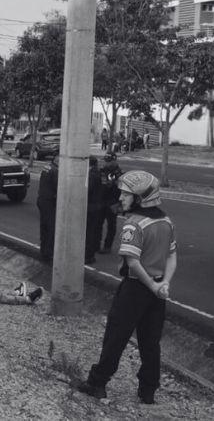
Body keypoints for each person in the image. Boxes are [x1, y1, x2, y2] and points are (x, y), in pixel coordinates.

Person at [76, 170, 178, 405]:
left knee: (116, 337)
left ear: (141, 198)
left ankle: (97, 383)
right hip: (157, 291)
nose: (121, 198)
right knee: (150, 343)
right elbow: (173, 256)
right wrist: (163, 284)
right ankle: (148, 392)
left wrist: (152, 285)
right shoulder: (166, 221)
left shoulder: (134, 225)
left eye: (126, 195)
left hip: (135, 288)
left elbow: (132, 262)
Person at [98, 152, 123, 254]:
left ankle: (107, 246)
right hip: (102, 201)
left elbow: (120, 188)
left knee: (111, 225)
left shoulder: (119, 174)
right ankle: (96, 245)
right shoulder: (102, 171)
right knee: (98, 224)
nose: (107, 163)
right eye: (106, 161)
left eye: (109, 161)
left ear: (114, 160)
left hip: (113, 202)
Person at [36, 156, 59, 262]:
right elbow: (58, 186)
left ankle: (43, 250)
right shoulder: (55, 171)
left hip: (42, 199)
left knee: (44, 226)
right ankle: (48, 253)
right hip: (49, 201)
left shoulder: (47, 167)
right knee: (50, 228)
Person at [85, 156, 103, 264]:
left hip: (91, 206)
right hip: (97, 205)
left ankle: (88, 256)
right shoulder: (98, 173)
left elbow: (88, 190)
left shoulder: (91, 175)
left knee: (89, 232)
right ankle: (92, 251)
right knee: (94, 230)